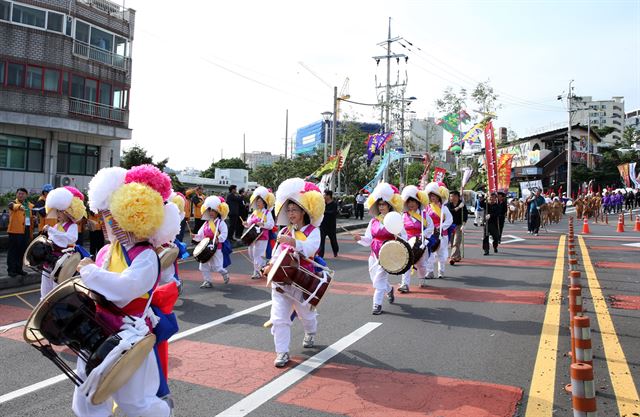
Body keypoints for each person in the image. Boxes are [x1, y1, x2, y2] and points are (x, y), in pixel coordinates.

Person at [74, 164, 176, 417]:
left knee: (135, 403)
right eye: (107, 216)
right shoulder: (105, 251)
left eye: (114, 217)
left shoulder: (146, 256)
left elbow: (126, 289)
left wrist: (89, 272)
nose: (110, 223)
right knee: (87, 396)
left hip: (130, 333)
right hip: (97, 330)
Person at [263, 178, 325, 368]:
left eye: (294, 210)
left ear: (304, 211)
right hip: (281, 282)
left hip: (302, 281)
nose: (291, 214)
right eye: (288, 210)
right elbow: (276, 254)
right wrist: (269, 266)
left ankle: (310, 332)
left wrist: (293, 243)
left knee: (306, 316)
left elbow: (311, 249)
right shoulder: (285, 230)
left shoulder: (313, 231)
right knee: (279, 318)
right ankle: (282, 352)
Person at [353, 182, 405, 315]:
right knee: (374, 279)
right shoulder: (373, 221)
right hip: (374, 255)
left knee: (379, 280)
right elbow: (369, 239)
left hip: (388, 254)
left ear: (390, 205)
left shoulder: (396, 219)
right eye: (379, 204)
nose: (381, 207)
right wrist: (360, 238)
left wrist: (397, 236)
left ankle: (377, 305)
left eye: (384, 204)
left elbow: (404, 238)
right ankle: (389, 290)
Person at [39, 186, 86, 299]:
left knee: (57, 285)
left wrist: (52, 231)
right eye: (57, 211)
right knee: (45, 283)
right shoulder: (56, 225)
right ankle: (43, 303)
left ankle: (55, 307)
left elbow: (71, 238)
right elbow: (53, 239)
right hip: (50, 257)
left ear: (68, 212)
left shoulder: (72, 225)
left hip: (63, 259)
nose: (58, 214)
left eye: (60, 211)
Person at [399, 185, 434, 293]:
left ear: (418, 202)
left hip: (421, 242)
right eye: (408, 202)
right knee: (407, 263)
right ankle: (405, 284)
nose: (411, 204)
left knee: (421, 265)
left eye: (413, 201)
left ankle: (422, 279)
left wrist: (423, 236)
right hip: (407, 242)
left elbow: (431, 227)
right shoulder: (403, 216)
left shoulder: (424, 215)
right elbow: (400, 229)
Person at [192, 195, 231, 288]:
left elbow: (224, 234)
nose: (211, 212)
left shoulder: (221, 223)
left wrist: (219, 239)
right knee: (203, 265)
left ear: (218, 211)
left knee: (217, 267)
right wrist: (195, 236)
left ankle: (224, 273)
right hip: (206, 248)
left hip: (216, 247)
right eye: (209, 210)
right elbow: (201, 235)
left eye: (213, 210)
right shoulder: (206, 223)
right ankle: (207, 281)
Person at [243, 186, 275, 278]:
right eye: (256, 201)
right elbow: (249, 224)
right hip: (252, 237)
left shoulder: (267, 213)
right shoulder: (254, 212)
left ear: (264, 202)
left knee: (257, 255)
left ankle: (256, 272)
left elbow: (271, 225)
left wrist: (262, 224)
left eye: (259, 201)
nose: (257, 203)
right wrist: (246, 224)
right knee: (251, 254)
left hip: (262, 237)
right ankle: (265, 265)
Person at [424, 182, 453, 279]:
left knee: (441, 253)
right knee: (430, 253)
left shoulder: (444, 208)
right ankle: (430, 271)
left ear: (439, 196)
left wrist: (441, 226)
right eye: (430, 195)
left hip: (441, 233)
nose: (432, 197)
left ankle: (441, 271)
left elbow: (449, 220)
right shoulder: (427, 208)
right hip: (431, 233)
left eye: (434, 195)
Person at [7, 188, 35, 277]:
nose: (20, 195)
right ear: (16, 194)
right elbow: (11, 206)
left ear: (26, 195)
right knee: (13, 251)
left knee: (22, 251)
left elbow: (31, 217)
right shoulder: (13, 203)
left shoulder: (30, 206)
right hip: (15, 231)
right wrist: (20, 206)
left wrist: (33, 219)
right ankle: (11, 270)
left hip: (26, 231)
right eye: (19, 193)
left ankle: (19, 269)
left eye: (22, 194)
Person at [446, 190, 468, 265]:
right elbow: (450, 211)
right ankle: (457, 256)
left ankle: (452, 257)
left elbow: (465, 215)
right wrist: (458, 207)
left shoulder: (462, 205)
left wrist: (464, 224)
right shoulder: (448, 205)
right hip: (450, 226)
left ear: (458, 197)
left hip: (459, 225)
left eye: (454, 196)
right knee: (452, 242)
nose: (453, 198)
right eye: (451, 196)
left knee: (457, 241)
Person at [319, 190, 339, 258]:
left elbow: (333, 213)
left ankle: (335, 252)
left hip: (331, 226)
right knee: (321, 241)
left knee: (333, 240)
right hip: (323, 225)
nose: (323, 196)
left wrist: (324, 212)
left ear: (328, 196)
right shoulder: (322, 204)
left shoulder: (334, 204)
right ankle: (320, 255)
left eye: (324, 195)